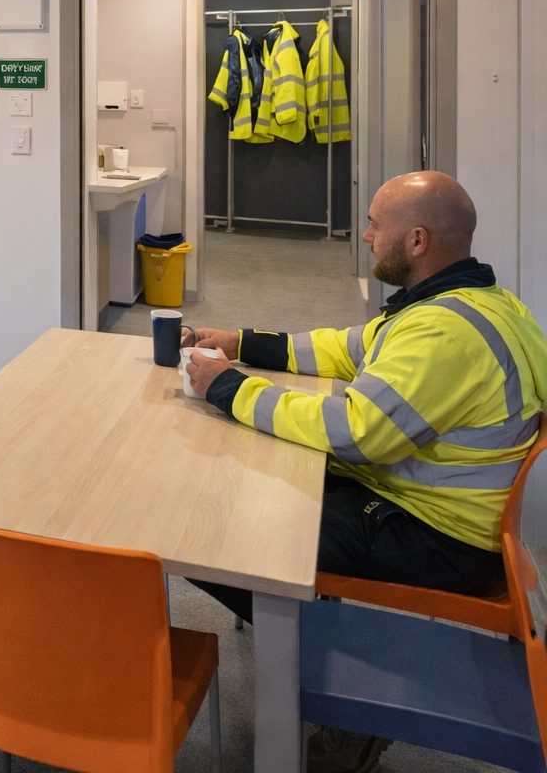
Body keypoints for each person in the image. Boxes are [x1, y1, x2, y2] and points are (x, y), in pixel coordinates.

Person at [183, 170, 547, 773]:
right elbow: (344, 349)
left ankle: (339, 706)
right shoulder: (473, 301)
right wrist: (243, 341)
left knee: (215, 530)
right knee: (260, 477)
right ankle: (314, 637)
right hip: (438, 505)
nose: (366, 237)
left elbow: (356, 433)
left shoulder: (442, 334)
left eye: (377, 224)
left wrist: (229, 388)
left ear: (418, 241)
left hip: (438, 536)